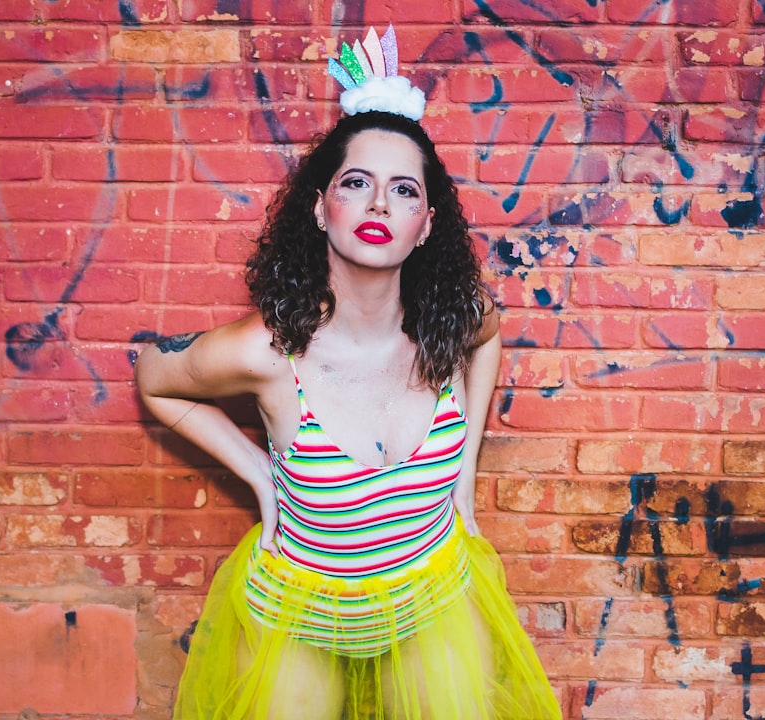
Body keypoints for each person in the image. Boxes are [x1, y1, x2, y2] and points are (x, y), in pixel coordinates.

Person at [135, 26, 562, 720]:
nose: (378, 204)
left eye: (403, 190)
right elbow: (155, 376)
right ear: (319, 205)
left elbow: (491, 336)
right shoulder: (270, 355)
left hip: (431, 599)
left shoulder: (453, 318)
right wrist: (258, 474)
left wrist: (465, 481)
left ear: (425, 224)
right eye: (356, 182)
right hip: (299, 618)